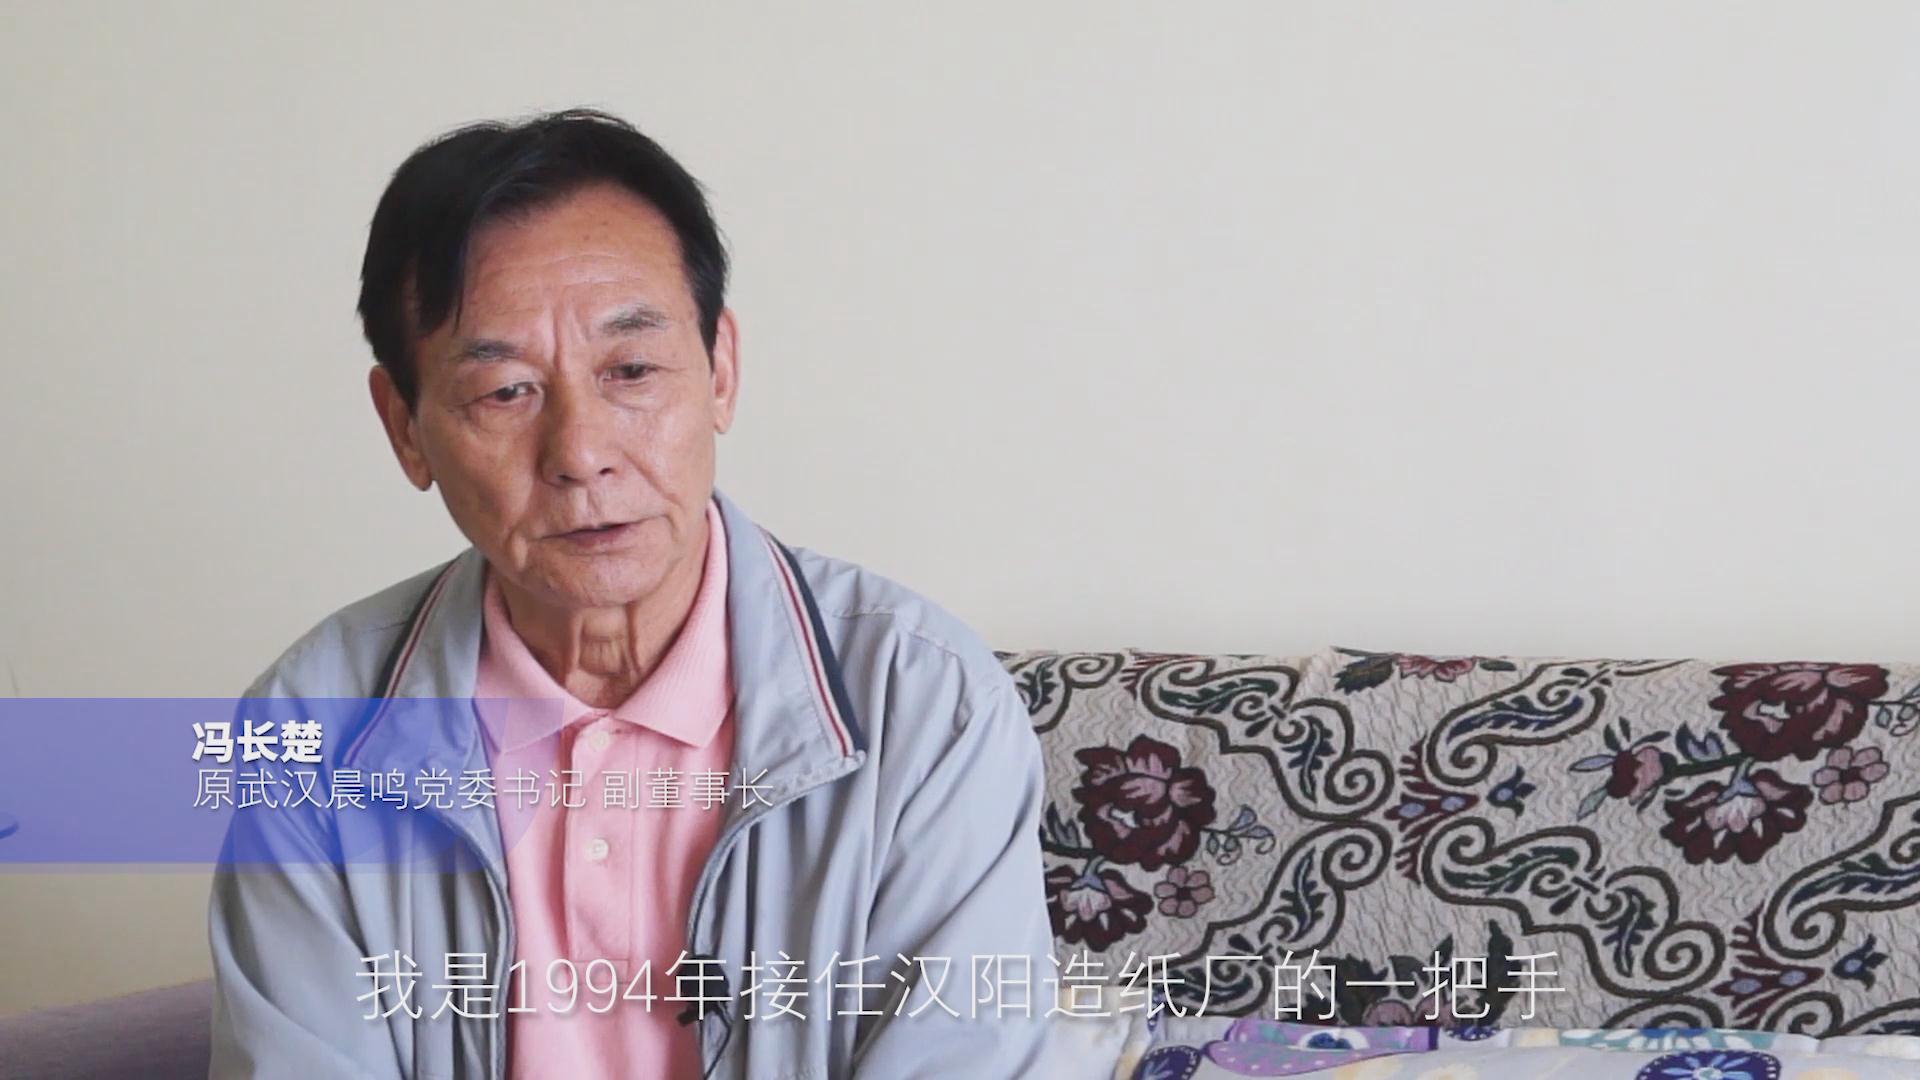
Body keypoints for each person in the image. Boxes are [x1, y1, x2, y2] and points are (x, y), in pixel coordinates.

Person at [207, 108, 1056, 1079]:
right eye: (506, 391)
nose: (581, 453)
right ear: (405, 426)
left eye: (633, 369)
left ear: (720, 370)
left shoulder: (926, 703)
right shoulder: (309, 727)